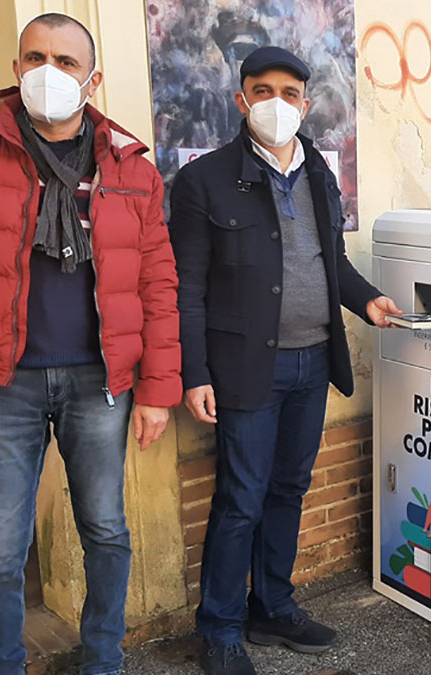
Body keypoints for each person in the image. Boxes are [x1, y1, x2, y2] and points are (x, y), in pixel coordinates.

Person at [0, 13, 181, 675]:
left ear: (94, 78)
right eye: (34, 57)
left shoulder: (132, 168)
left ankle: (104, 658)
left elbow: (157, 281)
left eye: (65, 60)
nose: (48, 72)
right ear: (17, 67)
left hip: (99, 380)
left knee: (106, 531)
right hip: (0, 383)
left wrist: (159, 391)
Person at [168, 46, 401, 675]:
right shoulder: (203, 180)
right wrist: (194, 373)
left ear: (304, 101)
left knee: (289, 490)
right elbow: (185, 286)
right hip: (245, 370)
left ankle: (271, 604)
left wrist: (368, 301)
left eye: (289, 92)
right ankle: (219, 626)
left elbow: (334, 263)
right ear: (242, 98)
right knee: (240, 498)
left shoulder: (320, 172)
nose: (276, 103)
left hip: (310, 364)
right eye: (262, 90)